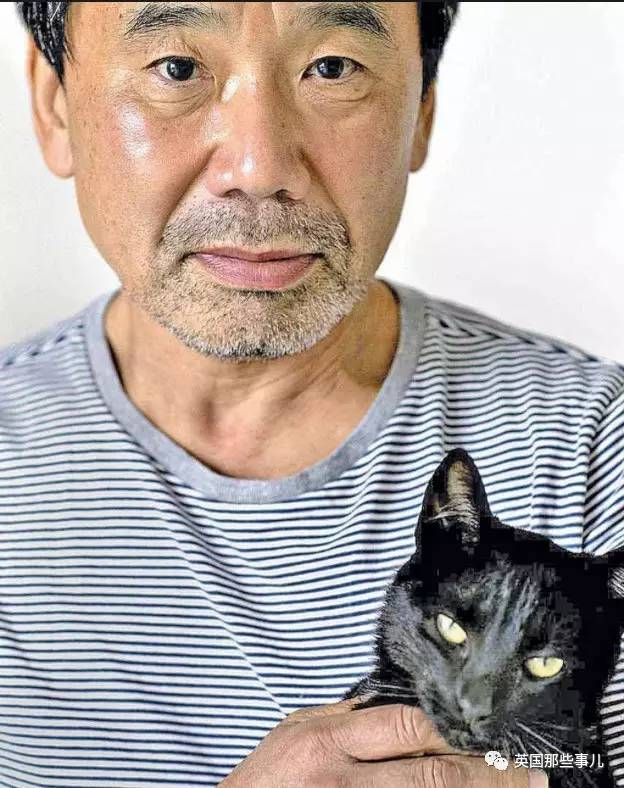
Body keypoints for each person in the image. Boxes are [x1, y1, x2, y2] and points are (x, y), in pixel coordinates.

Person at [3, 1, 622, 786]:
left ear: (422, 111)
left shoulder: (596, 447)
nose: (259, 167)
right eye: (177, 68)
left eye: (333, 68)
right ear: (55, 103)